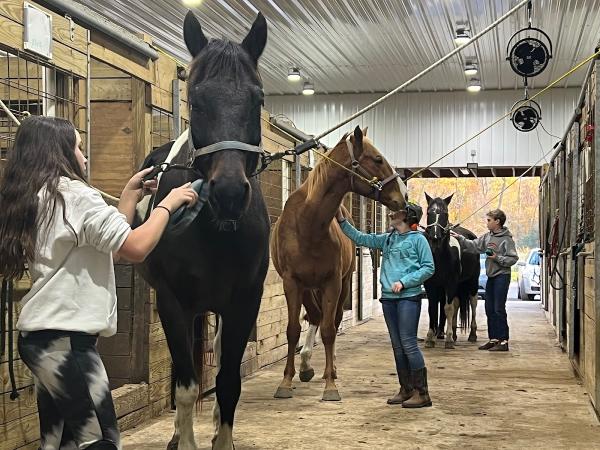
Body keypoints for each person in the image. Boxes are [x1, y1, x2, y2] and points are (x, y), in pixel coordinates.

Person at [0, 116, 198, 450]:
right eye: (78, 147)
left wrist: (128, 198)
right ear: (60, 153)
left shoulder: (40, 196)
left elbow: (112, 246)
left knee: (61, 438)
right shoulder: (78, 196)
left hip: (42, 341)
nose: (85, 156)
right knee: (100, 441)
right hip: (66, 343)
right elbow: (134, 248)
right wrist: (167, 204)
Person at [335, 203, 435, 408]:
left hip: (408, 297)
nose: (390, 213)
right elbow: (361, 238)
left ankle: (422, 393)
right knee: (398, 347)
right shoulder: (388, 238)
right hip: (389, 299)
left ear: (407, 216)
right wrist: (341, 220)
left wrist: (405, 281)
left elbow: (428, 268)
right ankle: (406, 389)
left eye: (395, 211)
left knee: (408, 344)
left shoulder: (418, 240)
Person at [451, 209, 518, 352]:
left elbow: (513, 258)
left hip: (502, 276)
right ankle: (493, 339)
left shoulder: (506, 239)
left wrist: (497, 258)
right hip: (491, 277)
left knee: (498, 308)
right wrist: (459, 238)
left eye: (489, 220)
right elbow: (474, 245)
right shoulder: (487, 237)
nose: (486, 223)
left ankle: (503, 341)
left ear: (497, 221)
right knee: (489, 308)